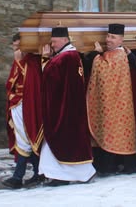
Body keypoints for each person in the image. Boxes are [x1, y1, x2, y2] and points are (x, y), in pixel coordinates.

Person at [38, 27, 95, 186]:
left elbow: (50, 79)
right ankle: (63, 175)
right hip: (70, 109)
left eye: (54, 41)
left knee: (62, 143)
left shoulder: (64, 58)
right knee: (66, 143)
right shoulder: (71, 56)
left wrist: (44, 59)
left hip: (63, 111)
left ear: (64, 39)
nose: (52, 44)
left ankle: (63, 177)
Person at [85, 23, 136, 176]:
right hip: (116, 103)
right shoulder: (113, 53)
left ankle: (110, 167)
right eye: (108, 36)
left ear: (121, 39)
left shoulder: (118, 54)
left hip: (117, 105)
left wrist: (96, 55)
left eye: (113, 37)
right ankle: (121, 165)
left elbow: (104, 72)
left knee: (115, 132)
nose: (108, 39)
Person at [2, 33, 44, 189]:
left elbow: (30, 82)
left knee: (27, 139)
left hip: (29, 106)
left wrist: (19, 61)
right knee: (25, 139)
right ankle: (37, 173)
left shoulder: (32, 60)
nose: (16, 49)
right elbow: (11, 83)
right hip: (17, 105)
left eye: (19, 46)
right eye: (14, 46)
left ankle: (18, 177)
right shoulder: (20, 59)